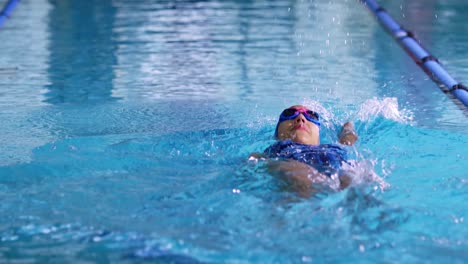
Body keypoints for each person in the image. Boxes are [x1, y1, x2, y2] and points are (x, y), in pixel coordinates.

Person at [250, 105, 358, 197]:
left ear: (318, 133)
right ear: (277, 133)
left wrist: (348, 126)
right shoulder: (278, 149)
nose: (301, 118)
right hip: (298, 174)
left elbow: (347, 137)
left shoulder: (334, 147)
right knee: (298, 171)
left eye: (311, 115)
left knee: (356, 178)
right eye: (289, 113)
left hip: (341, 171)